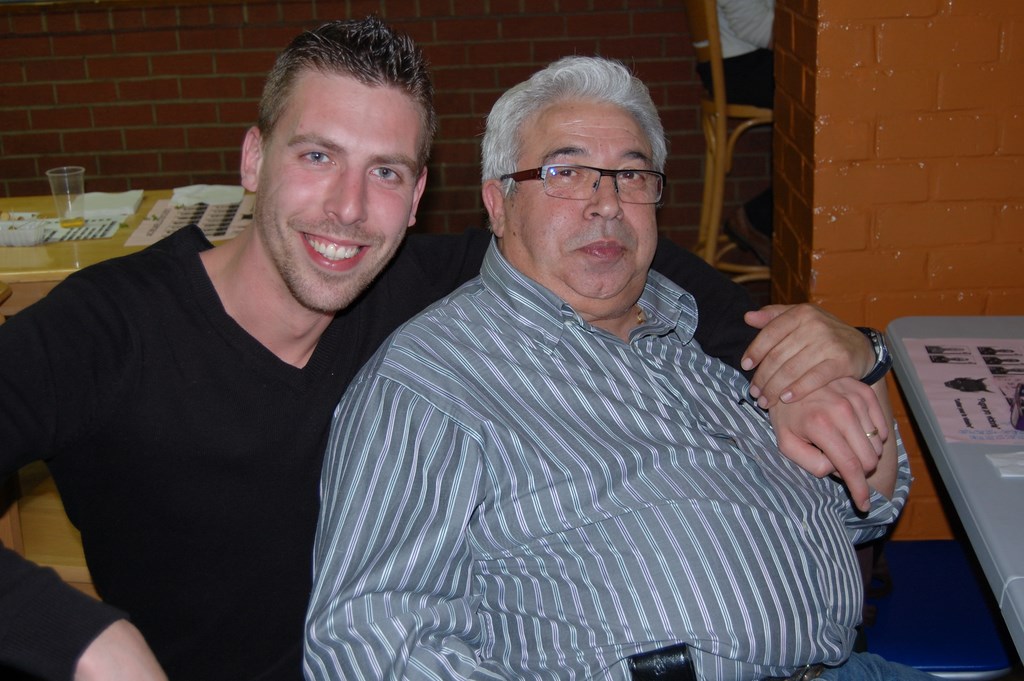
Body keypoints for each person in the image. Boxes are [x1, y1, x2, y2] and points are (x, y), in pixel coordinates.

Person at [0, 17, 882, 681]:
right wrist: (86, 638)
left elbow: (627, 255)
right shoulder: (106, 328)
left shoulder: (409, 279)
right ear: (253, 160)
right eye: (317, 156)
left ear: (419, 194)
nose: (349, 209)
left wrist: (813, 351)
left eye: (385, 171)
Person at [304, 56, 926, 680]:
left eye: (631, 175)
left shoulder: (698, 334)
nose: (606, 204)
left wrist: (857, 369)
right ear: (499, 204)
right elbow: (367, 649)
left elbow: (868, 504)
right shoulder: (430, 382)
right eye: (566, 173)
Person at [694, 0, 775, 264]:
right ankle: (760, 217)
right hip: (741, 66)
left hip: (744, 61)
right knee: (825, 101)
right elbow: (759, 28)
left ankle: (765, 216)